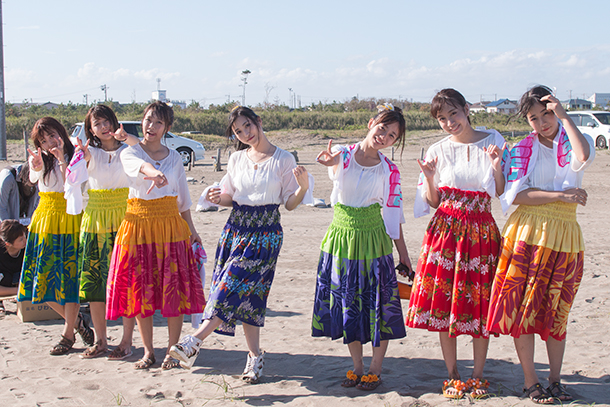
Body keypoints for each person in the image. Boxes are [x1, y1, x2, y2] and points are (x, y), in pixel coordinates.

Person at [169, 106, 310, 384]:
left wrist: (303, 188)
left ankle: (194, 341)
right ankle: (254, 358)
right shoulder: (236, 159)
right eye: (238, 131)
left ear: (258, 121)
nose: (245, 134)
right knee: (250, 297)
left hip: (265, 233)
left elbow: (289, 204)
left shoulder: (282, 159)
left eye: (248, 126)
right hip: (235, 229)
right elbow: (229, 198)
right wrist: (213, 197)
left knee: (229, 286)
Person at [486, 86, 595, 404]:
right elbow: (515, 196)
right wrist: (561, 195)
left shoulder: (574, 137)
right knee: (523, 310)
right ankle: (531, 381)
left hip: (565, 233)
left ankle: (556, 380)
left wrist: (564, 116)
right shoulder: (522, 149)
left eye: (546, 113)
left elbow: (583, 156)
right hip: (526, 232)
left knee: (557, 312)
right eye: (534, 117)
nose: (541, 122)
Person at [406, 89, 506, 399]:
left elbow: (499, 191)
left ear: (466, 109)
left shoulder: (494, 140)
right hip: (445, 231)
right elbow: (434, 201)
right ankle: (451, 373)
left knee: (479, 304)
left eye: (454, 114)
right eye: (442, 119)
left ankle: (478, 374)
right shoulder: (437, 149)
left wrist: (497, 166)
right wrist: (430, 177)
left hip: (481, 230)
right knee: (445, 304)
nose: (450, 122)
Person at [311, 104, 412, 391]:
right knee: (347, 304)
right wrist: (329, 162)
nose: (385, 137)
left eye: (392, 136)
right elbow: (333, 168)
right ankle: (356, 367)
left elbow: (394, 215)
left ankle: (375, 368)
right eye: (382, 128)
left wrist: (404, 255)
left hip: (373, 239)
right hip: (341, 237)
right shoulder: (343, 154)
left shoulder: (389, 170)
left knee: (380, 304)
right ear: (371, 124)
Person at [106, 101, 206, 370]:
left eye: (158, 122)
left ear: (167, 128)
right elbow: (139, 167)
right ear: (142, 122)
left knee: (173, 291)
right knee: (141, 291)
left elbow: (183, 200)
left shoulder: (175, 157)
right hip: (138, 225)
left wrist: (193, 232)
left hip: (170, 226)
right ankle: (148, 351)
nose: (152, 126)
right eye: (148, 120)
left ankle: (172, 351)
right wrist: (154, 173)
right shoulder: (130, 151)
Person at [18, 117, 94, 355]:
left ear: (60, 132)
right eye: (43, 139)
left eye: (52, 135)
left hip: (70, 218)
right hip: (44, 219)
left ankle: (68, 334)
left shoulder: (76, 153)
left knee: (69, 282)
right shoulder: (42, 158)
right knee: (39, 281)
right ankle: (77, 322)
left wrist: (62, 158)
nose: (49, 142)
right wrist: (37, 165)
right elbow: (32, 180)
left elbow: (70, 185)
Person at [75, 105, 139, 359]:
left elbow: (143, 149)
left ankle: (125, 341)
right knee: (94, 284)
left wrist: (128, 139)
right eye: (96, 124)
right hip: (95, 221)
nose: (103, 127)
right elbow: (77, 167)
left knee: (127, 282)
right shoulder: (90, 153)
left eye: (106, 121)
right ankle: (100, 340)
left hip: (125, 217)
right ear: (90, 130)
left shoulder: (129, 151)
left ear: (115, 122)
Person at [0, 219, 28, 317]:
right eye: (21, 239)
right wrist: (17, 291)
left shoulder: (27, 249)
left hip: (18, 278)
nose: (25, 240)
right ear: (8, 243)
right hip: (5, 279)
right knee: (5, 277)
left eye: (24, 236)